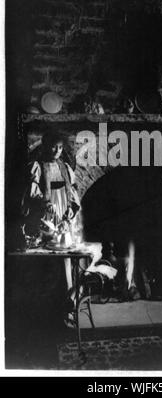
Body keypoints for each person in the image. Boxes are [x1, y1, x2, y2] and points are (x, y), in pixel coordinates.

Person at [21, 130, 81, 321]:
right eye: (53, 146)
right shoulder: (37, 166)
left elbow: (72, 191)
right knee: (48, 264)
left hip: (62, 215)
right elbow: (33, 192)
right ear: (46, 146)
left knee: (65, 261)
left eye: (60, 147)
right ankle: (47, 312)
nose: (56, 151)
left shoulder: (64, 166)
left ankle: (66, 308)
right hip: (45, 216)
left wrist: (70, 209)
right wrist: (45, 205)